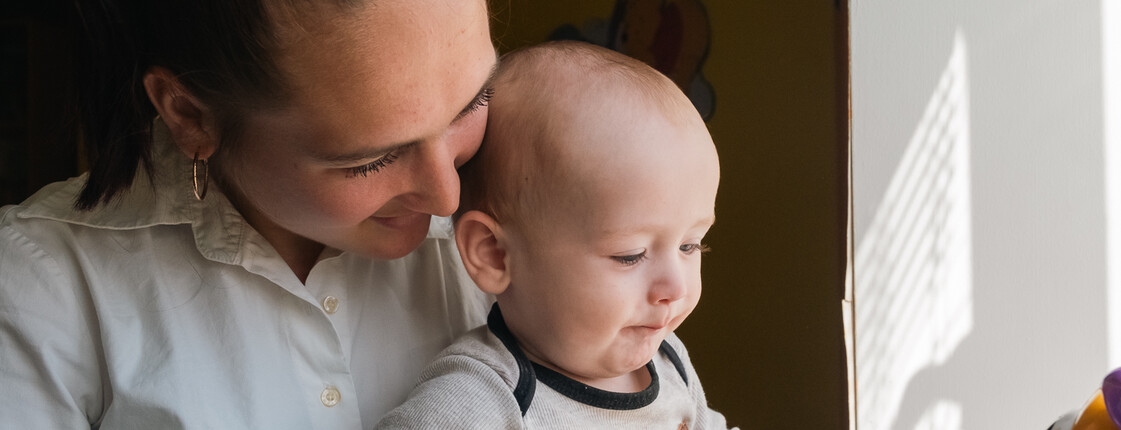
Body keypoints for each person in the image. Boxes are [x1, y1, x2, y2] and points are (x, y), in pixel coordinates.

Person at [0, 0, 497, 427]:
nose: (448, 199)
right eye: (371, 160)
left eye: (473, 103)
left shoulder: (535, 209)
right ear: (190, 116)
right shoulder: (40, 287)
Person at [376, 41, 735, 429]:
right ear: (495, 253)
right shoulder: (480, 400)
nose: (675, 287)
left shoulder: (669, 363)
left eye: (690, 244)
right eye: (630, 255)